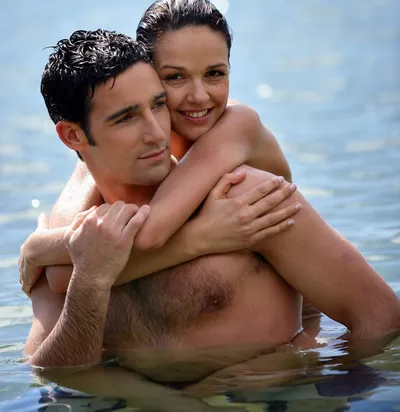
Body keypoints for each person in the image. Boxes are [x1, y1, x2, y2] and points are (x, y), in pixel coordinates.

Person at [22, 19, 400, 382]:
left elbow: (382, 319)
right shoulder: (77, 240)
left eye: (157, 105)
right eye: (126, 117)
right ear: (74, 137)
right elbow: (48, 374)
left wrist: (329, 381)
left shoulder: (248, 201)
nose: (157, 133)